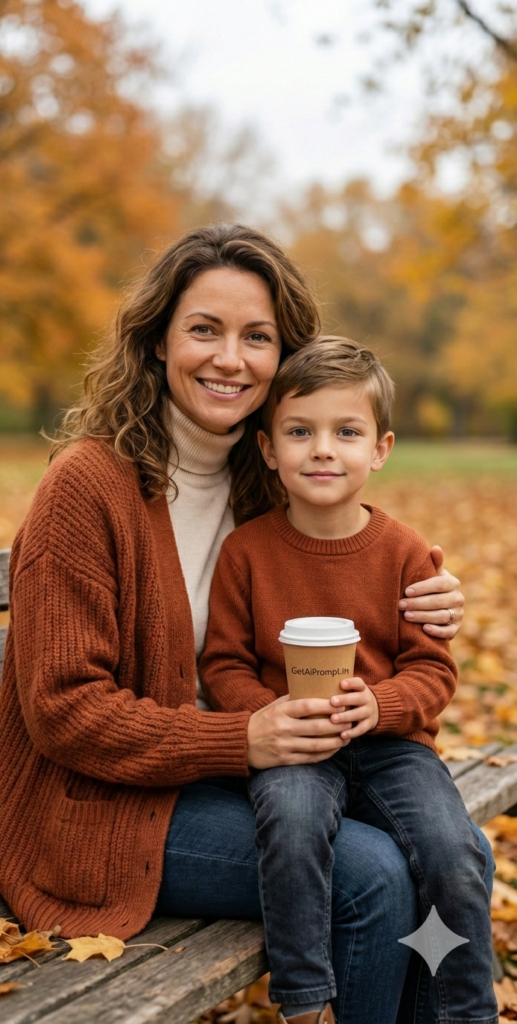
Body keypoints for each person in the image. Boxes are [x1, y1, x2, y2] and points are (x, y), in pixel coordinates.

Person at [0, 225, 487, 1024]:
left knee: (451, 856)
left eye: (257, 337)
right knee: (373, 877)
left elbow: (349, 549)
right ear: (156, 342)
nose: (231, 358)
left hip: (233, 775)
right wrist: (242, 739)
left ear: (281, 358)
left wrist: (431, 587)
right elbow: (62, 710)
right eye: (204, 330)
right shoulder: (89, 487)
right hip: (102, 810)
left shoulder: (262, 474)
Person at [200, 336, 497, 1024]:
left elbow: (432, 670)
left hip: (392, 746)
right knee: (294, 823)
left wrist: (382, 704)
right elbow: (223, 664)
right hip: (296, 744)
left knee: (455, 851)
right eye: (300, 432)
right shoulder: (246, 552)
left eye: (347, 432)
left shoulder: (404, 553)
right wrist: (269, 716)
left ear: (381, 448)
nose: (323, 449)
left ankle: (464, 1012)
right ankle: (305, 1000)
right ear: (270, 449)